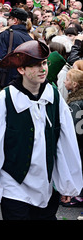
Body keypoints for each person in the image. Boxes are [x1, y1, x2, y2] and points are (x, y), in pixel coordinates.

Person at [0, 39, 83, 220]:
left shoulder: (53, 96)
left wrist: (66, 183)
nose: (42, 69)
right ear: (21, 70)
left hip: (46, 185)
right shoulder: (6, 98)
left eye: (43, 63)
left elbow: (65, 142)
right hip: (14, 186)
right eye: (34, 65)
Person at [0, 7, 32, 88]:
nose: (8, 21)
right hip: (25, 83)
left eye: (9, 19)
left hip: (7, 82)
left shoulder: (6, 35)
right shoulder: (30, 39)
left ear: (15, 20)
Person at [62, 68, 83, 207]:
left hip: (78, 142)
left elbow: (76, 127)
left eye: (68, 80)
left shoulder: (75, 103)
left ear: (74, 84)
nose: (64, 81)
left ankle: (78, 195)